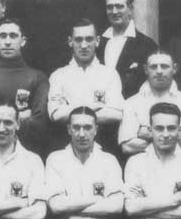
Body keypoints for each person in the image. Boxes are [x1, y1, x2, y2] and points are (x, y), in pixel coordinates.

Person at [0, 19, 49, 158]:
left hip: (27, 153)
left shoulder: (37, 77)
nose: (7, 41)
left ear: (22, 41)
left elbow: (40, 122)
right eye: (3, 36)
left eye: (13, 36)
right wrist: (22, 115)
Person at [48, 18, 124, 156]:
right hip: (66, 150)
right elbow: (56, 115)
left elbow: (117, 113)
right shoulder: (59, 75)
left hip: (105, 149)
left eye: (89, 39)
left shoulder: (110, 74)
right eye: (78, 39)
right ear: (70, 41)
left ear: (98, 41)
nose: (84, 45)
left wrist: (71, 110)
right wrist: (96, 105)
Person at [118, 51, 181, 157]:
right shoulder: (131, 103)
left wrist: (146, 132)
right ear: (145, 69)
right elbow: (127, 146)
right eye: (153, 67)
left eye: (164, 66)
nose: (159, 71)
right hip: (143, 167)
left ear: (174, 69)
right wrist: (172, 134)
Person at [97, 0, 158, 99]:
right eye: (110, 7)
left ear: (130, 9)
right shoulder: (98, 43)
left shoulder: (147, 45)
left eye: (119, 6)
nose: (114, 11)